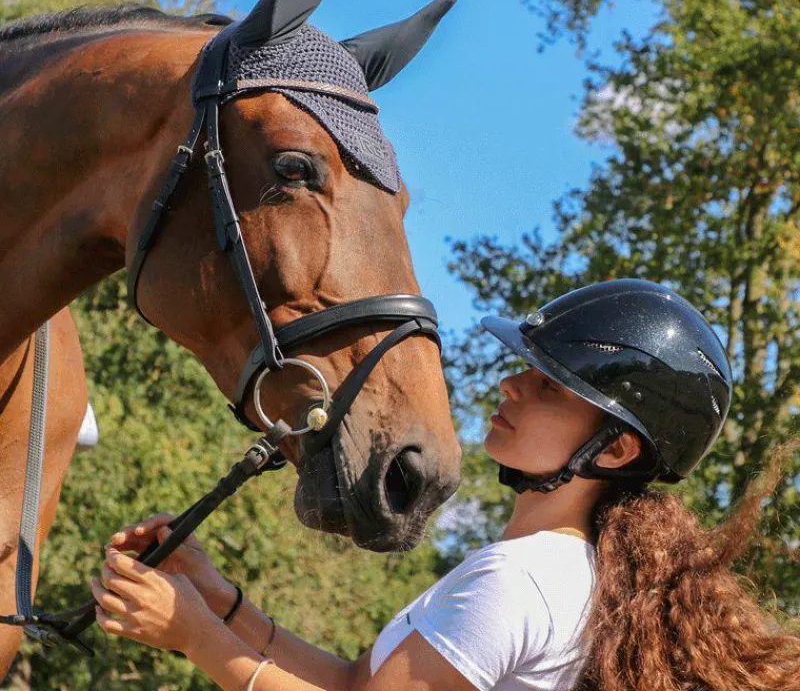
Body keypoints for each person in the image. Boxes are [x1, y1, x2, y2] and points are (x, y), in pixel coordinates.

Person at [92, 279, 800, 690]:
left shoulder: (521, 581)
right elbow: (354, 684)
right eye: (526, 369)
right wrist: (221, 604)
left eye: (549, 386)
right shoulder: (554, 571)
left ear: (613, 449)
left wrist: (194, 636)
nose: (511, 384)